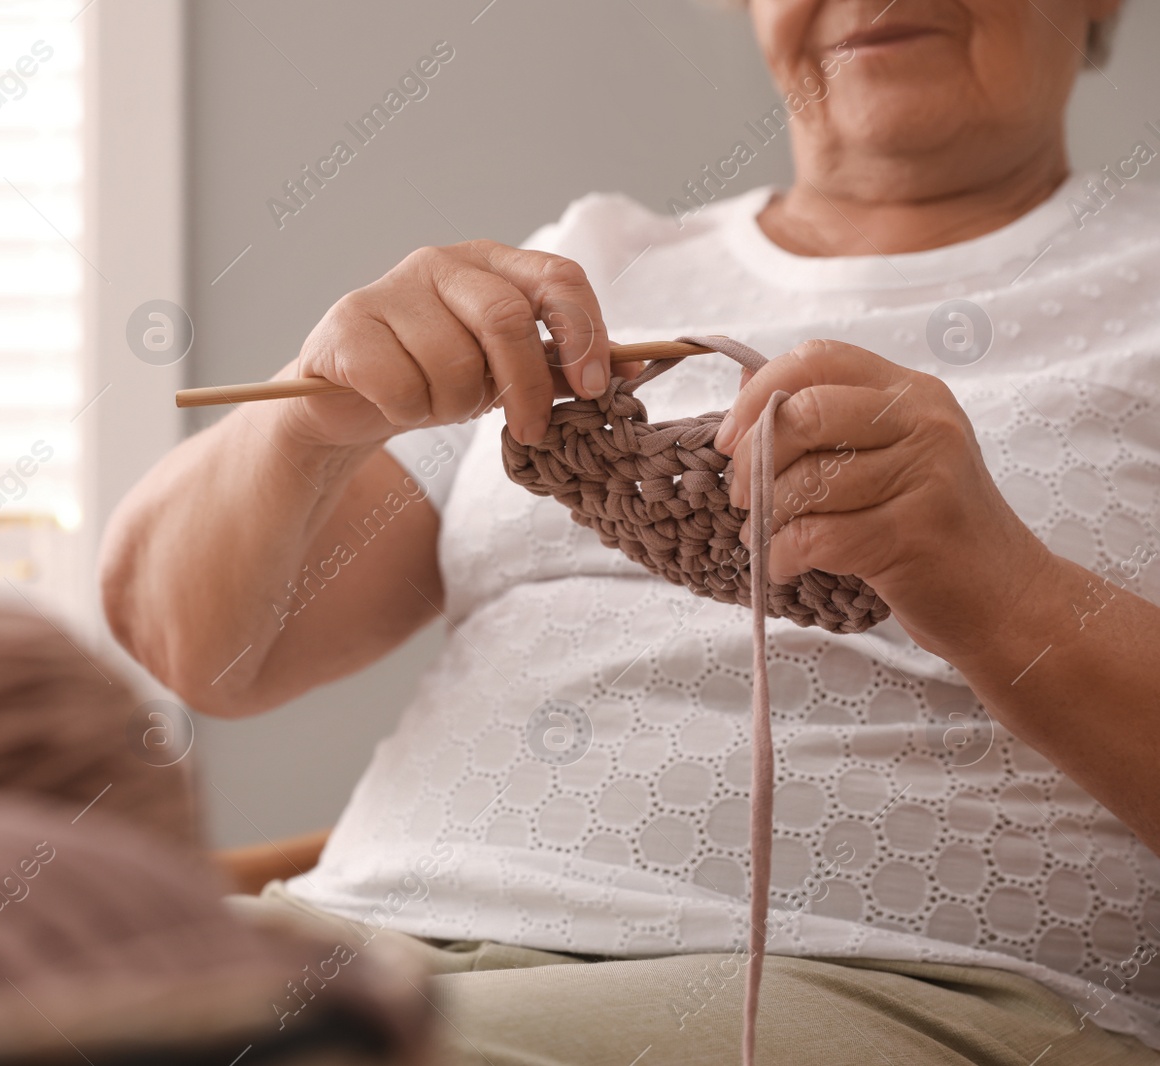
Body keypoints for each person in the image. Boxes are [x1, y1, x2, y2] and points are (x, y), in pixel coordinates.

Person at [100, 1, 1160, 1062]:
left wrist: (1007, 592)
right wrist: (309, 423)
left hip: (880, 995)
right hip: (353, 948)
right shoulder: (587, 264)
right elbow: (193, 643)